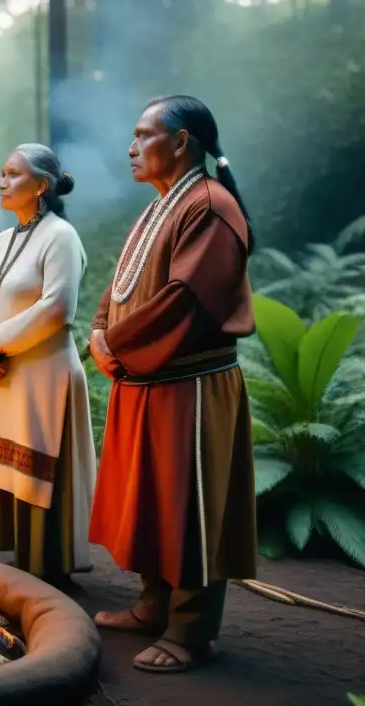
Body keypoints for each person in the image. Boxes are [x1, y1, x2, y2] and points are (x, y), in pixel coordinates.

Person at [87, 95, 257, 673]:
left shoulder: (209, 206)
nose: (131, 148)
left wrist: (117, 348)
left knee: (188, 506)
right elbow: (121, 286)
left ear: (181, 143)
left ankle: (191, 632)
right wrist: (99, 333)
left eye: (143, 135)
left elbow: (183, 303)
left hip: (191, 386)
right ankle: (153, 606)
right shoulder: (162, 205)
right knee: (150, 503)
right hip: (145, 379)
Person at [0, 144, 97, 586]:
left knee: (43, 463)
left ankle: (50, 565)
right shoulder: (0, 240)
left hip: (43, 375)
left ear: (41, 185)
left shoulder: (61, 236)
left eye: (14, 174)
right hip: (2, 375)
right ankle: (25, 557)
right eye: (1, 173)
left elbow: (57, 308)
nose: (2, 181)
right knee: (11, 463)